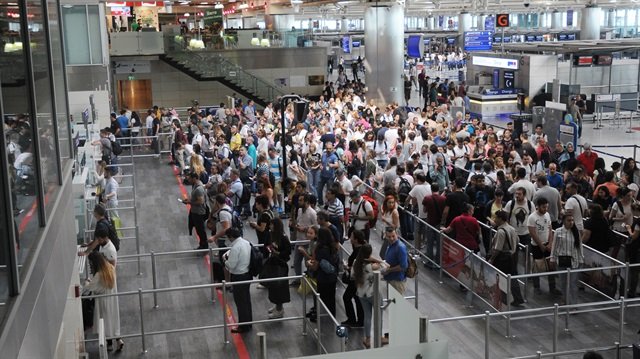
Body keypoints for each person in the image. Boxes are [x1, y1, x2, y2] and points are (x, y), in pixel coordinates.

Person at [84, 252, 124, 351]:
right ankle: (119, 340)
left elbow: (90, 288)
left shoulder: (99, 274)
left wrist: (87, 282)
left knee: (105, 322)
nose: (90, 265)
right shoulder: (110, 268)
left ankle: (109, 344)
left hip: (103, 302)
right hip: (112, 299)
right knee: (113, 320)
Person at [489, 210, 524, 307]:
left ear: (500, 219)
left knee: (500, 278)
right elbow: (517, 240)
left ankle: (503, 298)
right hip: (512, 256)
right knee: (513, 277)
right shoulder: (512, 229)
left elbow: (497, 249)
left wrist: (491, 259)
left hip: (502, 258)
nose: (494, 219)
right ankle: (518, 298)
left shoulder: (501, 231)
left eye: (496, 218)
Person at [527, 198, 561, 296]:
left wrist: (550, 243)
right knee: (537, 266)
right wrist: (540, 245)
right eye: (543, 207)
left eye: (546, 207)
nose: (545, 209)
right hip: (536, 245)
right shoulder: (532, 217)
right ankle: (536, 287)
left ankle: (552, 287)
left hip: (547, 244)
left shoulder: (547, 215)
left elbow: (550, 229)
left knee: (551, 265)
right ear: (538, 206)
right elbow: (532, 232)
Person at [352, 243, 383, 349]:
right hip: (373, 293)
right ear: (369, 254)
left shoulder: (356, 263)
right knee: (379, 315)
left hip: (361, 293)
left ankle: (368, 339)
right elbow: (384, 266)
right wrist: (375, 259)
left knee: (367, 316)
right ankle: (379, 336)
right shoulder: (371, 266)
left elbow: (352, 275)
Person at [223, 227, 253, 333]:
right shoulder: (246, 242)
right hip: (247, 274)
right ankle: (248, 323)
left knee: (240, 302)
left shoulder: (235, 247)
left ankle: (243, 326)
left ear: (231, 237)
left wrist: (225, 260)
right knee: (246, 300)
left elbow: (231, 265)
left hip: (239, 276)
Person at [550, 215, 584, 305]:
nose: (571, 222)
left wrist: (581, 259)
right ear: (564, 221)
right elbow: (554, 245)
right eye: (569, 220)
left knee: (573, 283)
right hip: (562, 260)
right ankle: (565, 299)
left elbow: (580, 246)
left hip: (574, 261)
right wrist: (552, 258)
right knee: (563, 282)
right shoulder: (558, 231)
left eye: (572, 220)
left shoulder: (576, 232)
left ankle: (573, 303)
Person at [308, 227, 339, 316]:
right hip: (333, 276)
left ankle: (323, 317)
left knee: (323, 299)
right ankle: (332, 316)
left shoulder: (320, 249)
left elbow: (315, 266)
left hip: (323, 278)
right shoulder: (333, 247)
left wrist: (309, 264)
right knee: (331, 298)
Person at [264, 218, 291, 318]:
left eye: (271, 225)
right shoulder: (271, 235)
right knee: (274, 287)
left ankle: (279, 309)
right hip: (273, 263)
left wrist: (278, 253)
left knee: (279, 287)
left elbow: (288, 252)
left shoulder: (283, 238)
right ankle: (277, 306)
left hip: (281, 266)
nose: (270, 226)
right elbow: (266, 245)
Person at [291, 194, 318, 286]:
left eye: (301, 200)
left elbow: (316, 227)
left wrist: (305, 229)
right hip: (299, 240)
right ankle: (298, 280)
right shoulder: (299, 210)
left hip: (308, 243)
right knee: (296, 262)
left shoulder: (313, 213)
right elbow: (298, 222)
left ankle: (310, 282)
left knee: (309, 264)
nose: (299, 202)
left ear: (306, 202)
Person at [341, 230, 366, 328]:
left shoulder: (358, 251)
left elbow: (358, 266)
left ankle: (352, 319)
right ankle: (360, 321)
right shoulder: (360, 249)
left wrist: (347, 267)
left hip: (355, 280)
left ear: (356, 240)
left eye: (351, 237)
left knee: (347, 297)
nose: (350, 238)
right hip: (357, 280)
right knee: (357, 299)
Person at [182, 172, 209, 250]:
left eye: (190, 178)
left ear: (194, 178)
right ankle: (202, 244)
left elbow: (201, 201)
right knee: (198, 229)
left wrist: (189, 202)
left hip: (199, 212)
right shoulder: (195, 185)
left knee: (200, 230)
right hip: (195, 211)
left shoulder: (199, 189)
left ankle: (204, 246)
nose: (188, 180)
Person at [382, 226, 408, 295]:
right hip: (391, 279)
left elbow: (403, 266)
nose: (391, 238)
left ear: (397, 235)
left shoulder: (400, 247)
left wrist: (388, 270)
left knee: (396, 304)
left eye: (393, 236)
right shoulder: (391, 245)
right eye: (389, 237)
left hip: (397, 281)